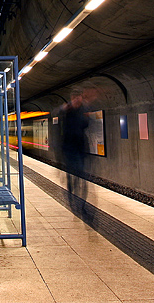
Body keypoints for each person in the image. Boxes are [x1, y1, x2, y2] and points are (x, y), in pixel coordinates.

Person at [58, 87, 96, 222]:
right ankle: (72, 199)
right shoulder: (66, 110)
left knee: (81, 176)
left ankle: (81, 206)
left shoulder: (83, 111)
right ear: (72, 98)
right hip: (69, 150)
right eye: (75, 97)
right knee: (71, 178)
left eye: (79, 97)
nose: (77, 100)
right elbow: (58, 119)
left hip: (80, 149)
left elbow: (86, 125)